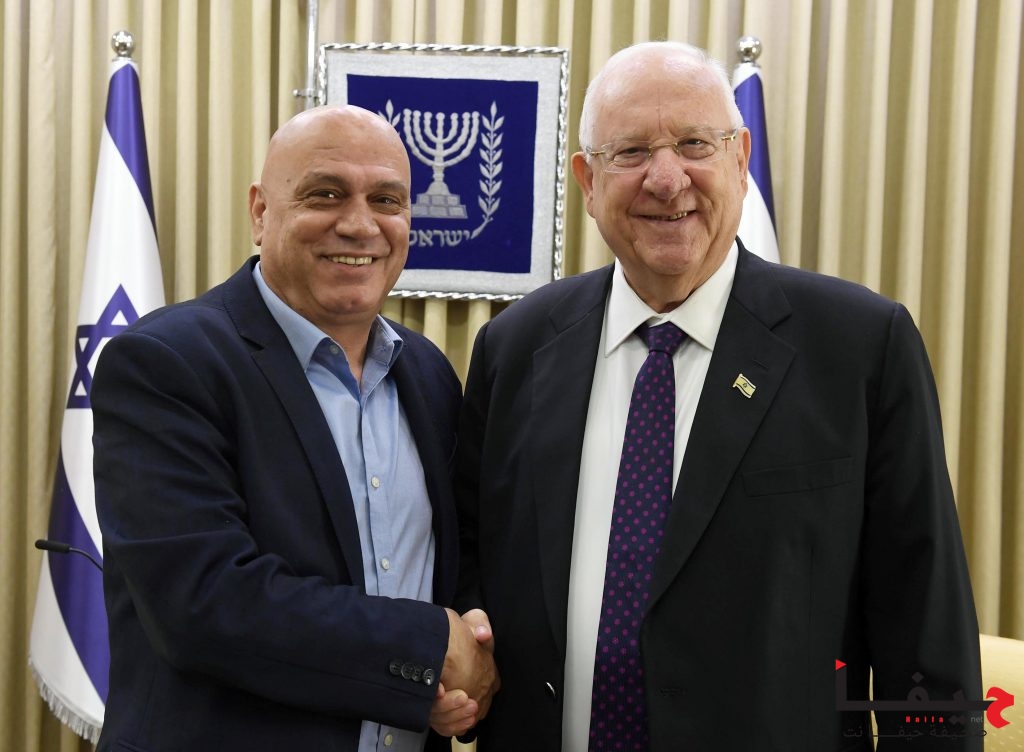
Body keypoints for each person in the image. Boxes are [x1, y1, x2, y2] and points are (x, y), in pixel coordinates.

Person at [454, 41, 982, 750]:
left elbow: (926, 626)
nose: (666, 179)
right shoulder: (514, 348)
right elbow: (471, 560)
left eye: (695, 144)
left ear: (741, 159)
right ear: (587, 180)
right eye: (631, 152)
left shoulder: (860, 347)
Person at [92, 104, 497, 752]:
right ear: (260, 212)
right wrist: (427, 651)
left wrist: (471, 647)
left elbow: (450, 559)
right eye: (325, 194)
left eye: (386, 200)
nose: (360, 224)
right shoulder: (166, 364)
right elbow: (205, 602)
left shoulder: (427, 373)